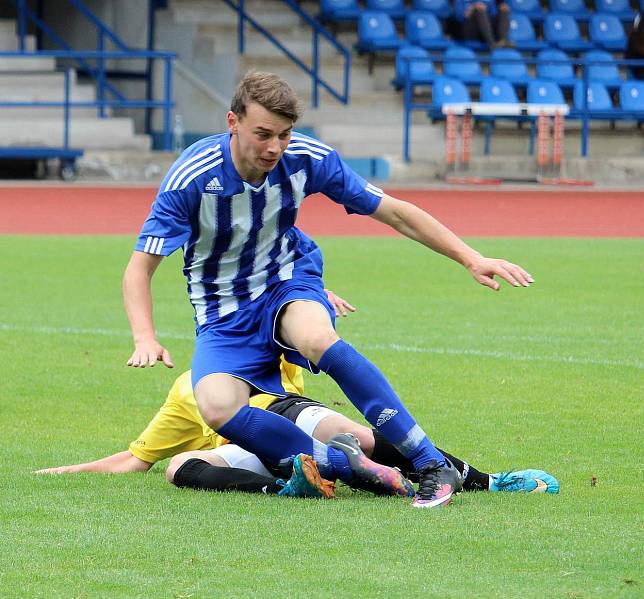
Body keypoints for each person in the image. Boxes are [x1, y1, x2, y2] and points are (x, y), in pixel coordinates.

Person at [123, 71, 534, 509]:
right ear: (233, 122)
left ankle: (431, 463)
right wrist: (145, 337)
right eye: (263, 134)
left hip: (286, 279)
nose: (274, 148)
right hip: (222, 313)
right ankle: (347, 466)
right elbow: (139, 268)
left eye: (283, 135)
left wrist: (471, 258)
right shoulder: (192, 176)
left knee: (317, 337)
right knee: (218, 407)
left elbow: (394, 212)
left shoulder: (305, 157)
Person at [36, 369, 560, 497]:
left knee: (360, 435)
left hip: (293, 421)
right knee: (178, 466)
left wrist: (313, 295)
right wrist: (63, 470)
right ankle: (293, 483)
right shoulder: (190, 388)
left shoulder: (281, 340)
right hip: (265, 448)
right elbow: (138, 458)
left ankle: (486, 480)